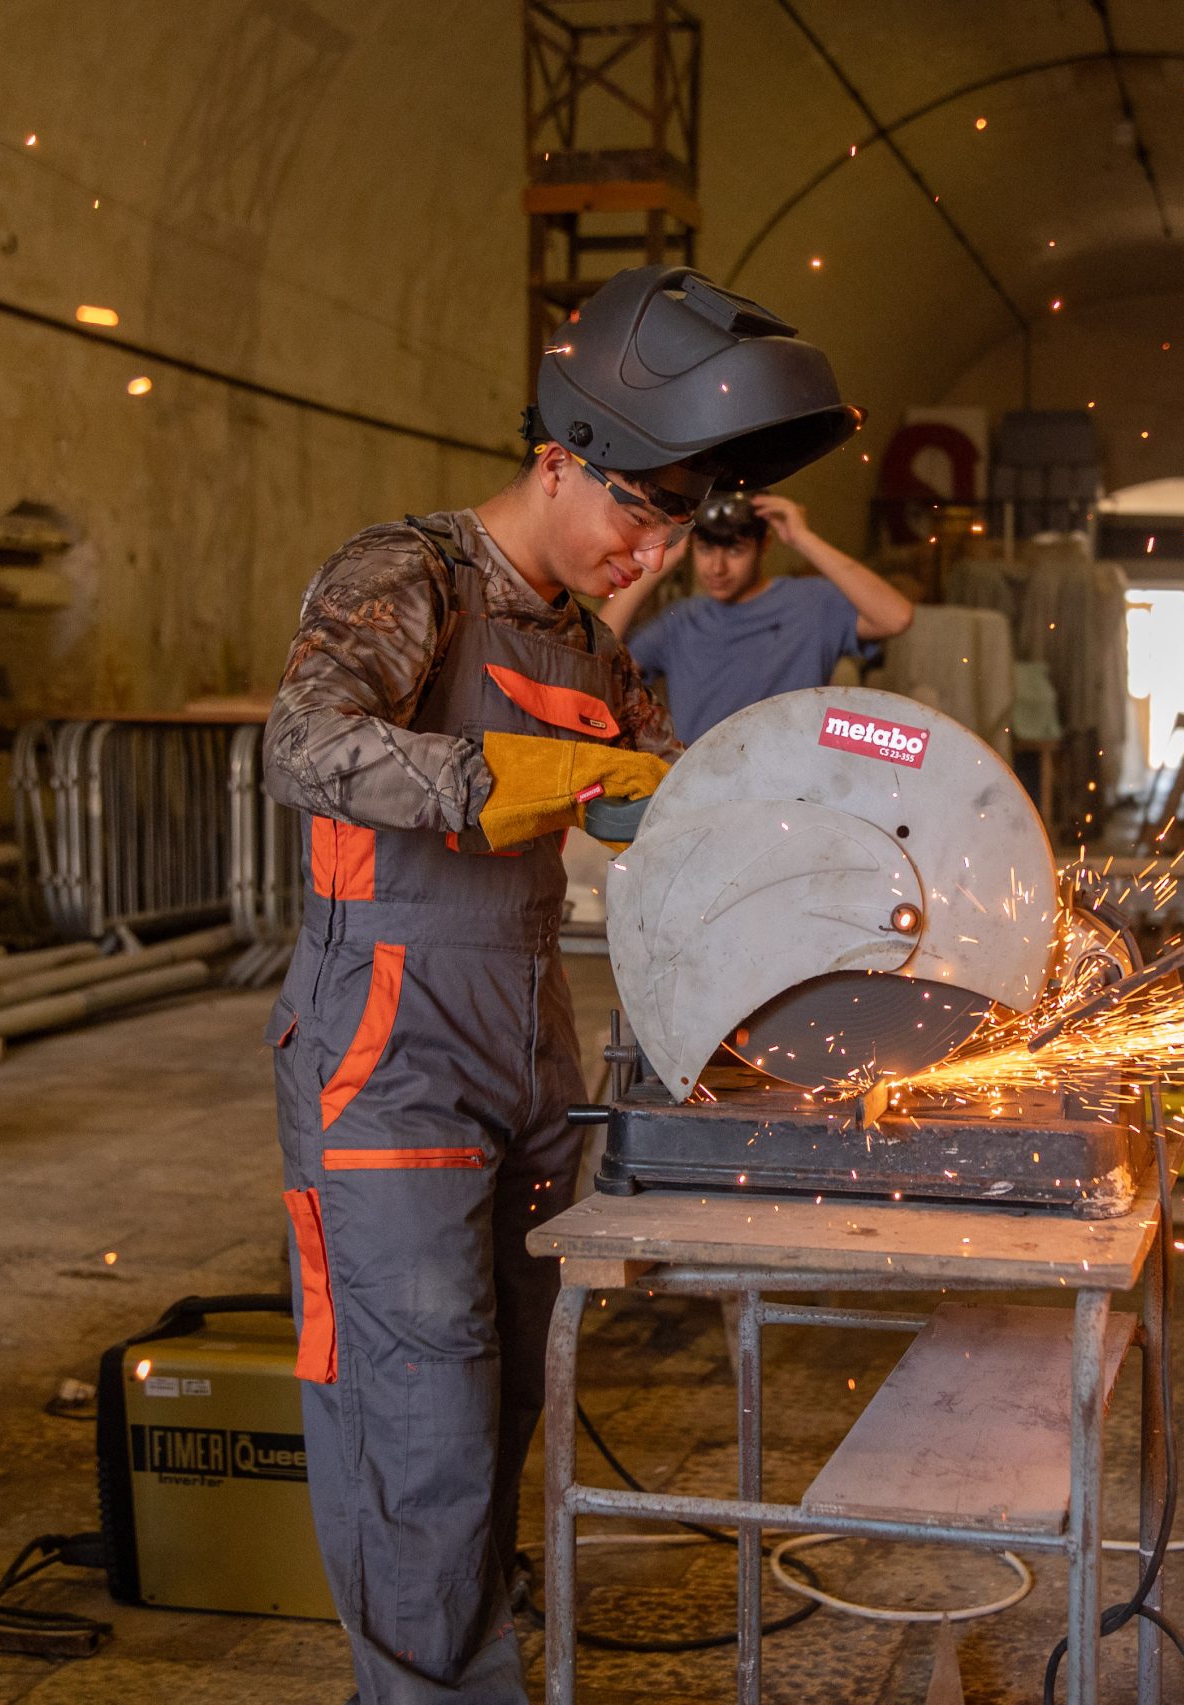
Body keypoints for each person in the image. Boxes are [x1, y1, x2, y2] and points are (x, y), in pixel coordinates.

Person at [259, 265, 856, 1705]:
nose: (646, 564)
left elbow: (675, 805)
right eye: (637, 521)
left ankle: (447, 1672)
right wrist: (483, 777)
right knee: (419, 1415)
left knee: (504, 1394)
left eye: (677, 531)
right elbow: (300, 742)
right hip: (384, 1052)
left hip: (525, 1050)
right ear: (556, 460)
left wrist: (811, 870)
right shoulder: (408, 576)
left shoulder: (596, 646)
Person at [598, 484, 914, 745]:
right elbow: (598, 659)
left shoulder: (813, 603)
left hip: (793, 787)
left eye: (735, 551)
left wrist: (803, 538)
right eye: (706, 550)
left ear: (765, 545)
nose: (717, 568)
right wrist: (665, 557)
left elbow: (896, 617)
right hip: (700, 785)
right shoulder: (682, 619)